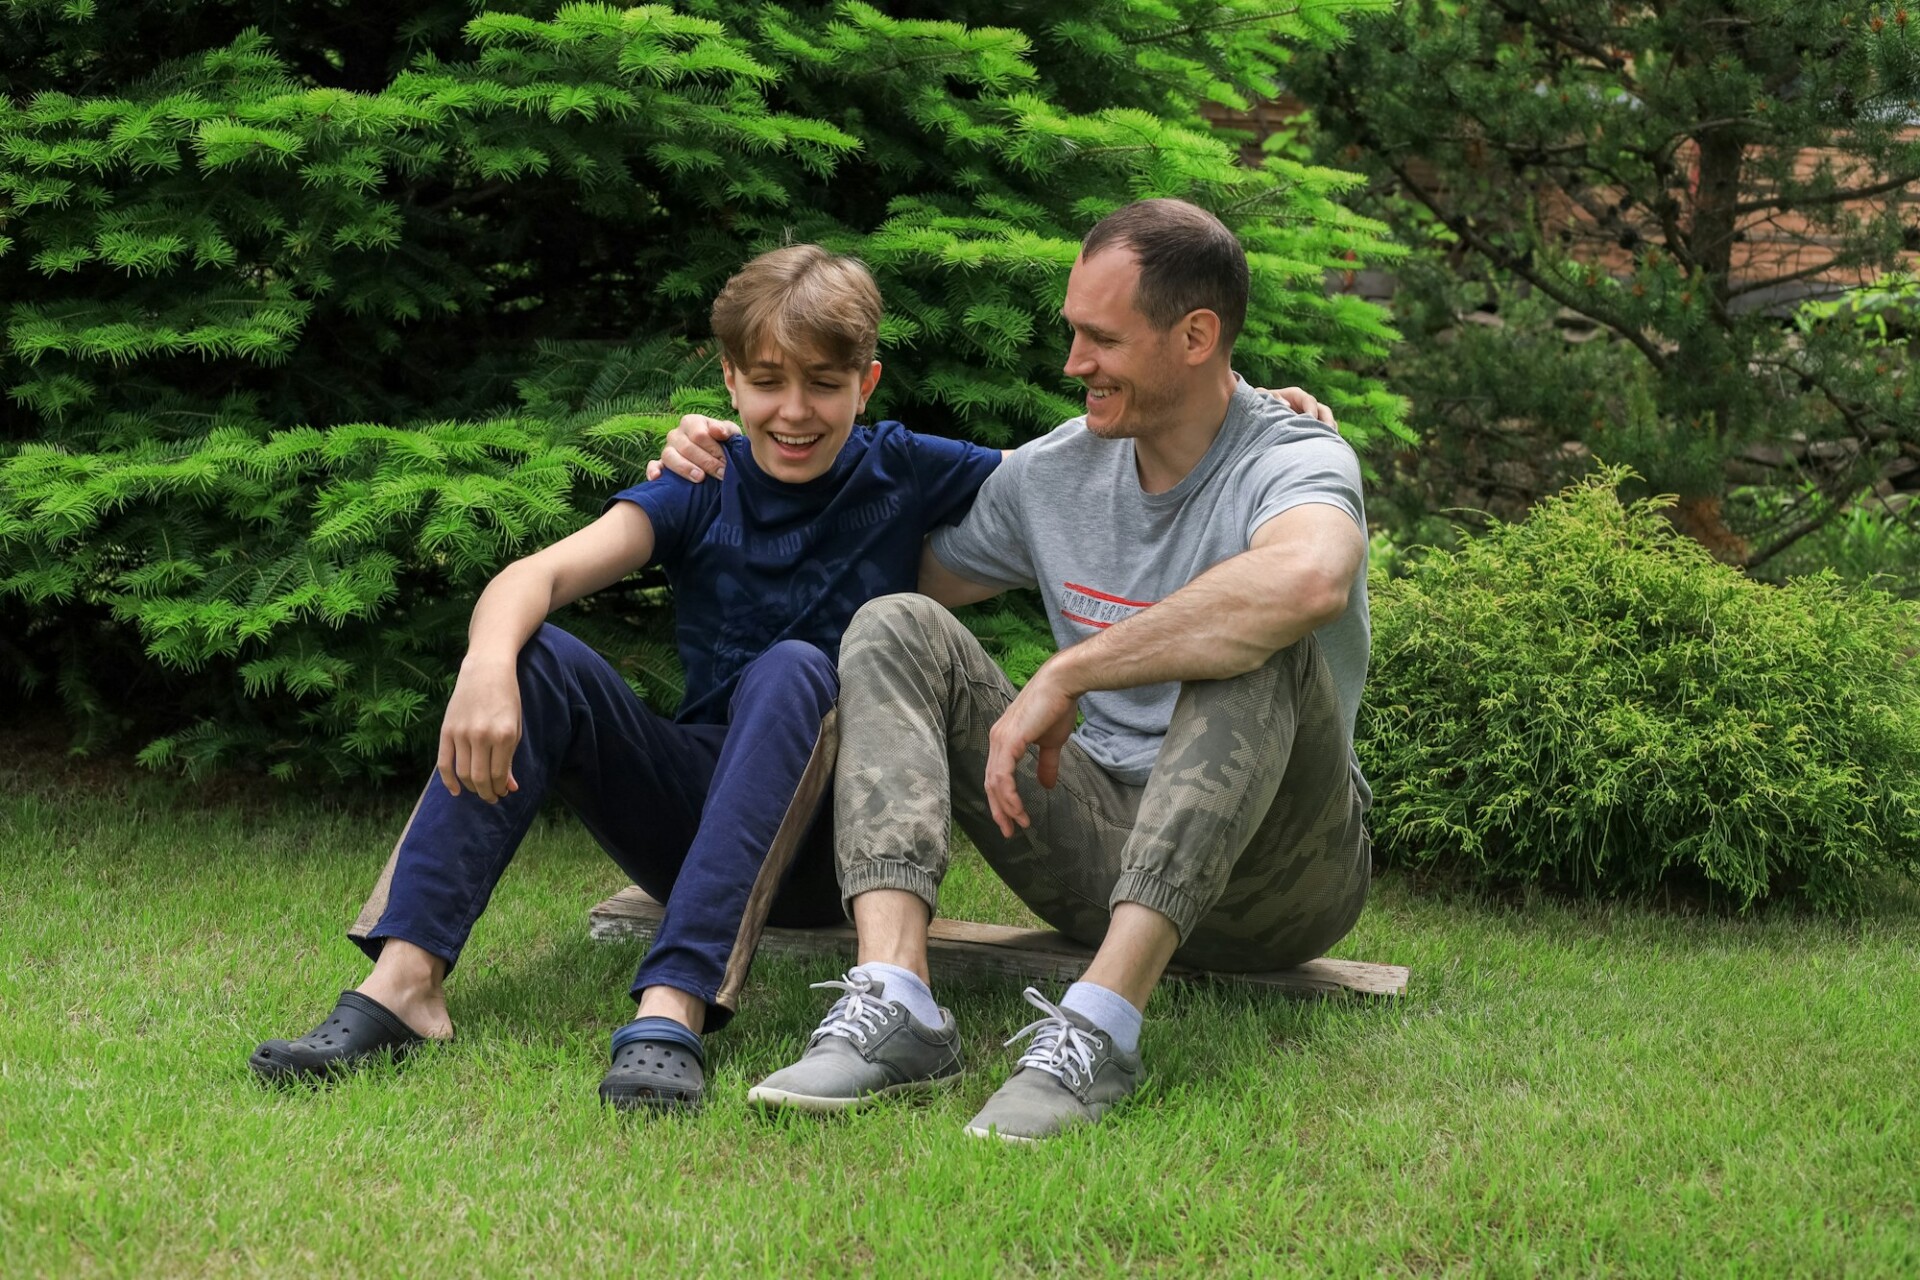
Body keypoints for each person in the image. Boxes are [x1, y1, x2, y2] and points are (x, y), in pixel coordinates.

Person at [662, 198, 1374, 1141]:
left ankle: (1098, 1030)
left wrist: (1070, 672)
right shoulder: (1055, 472)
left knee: (1248, 635)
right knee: (893, 623)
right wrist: (732, 469)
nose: (1073, 362)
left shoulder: (1291, 454)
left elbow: (1311, 576)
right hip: (1091, 856)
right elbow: (864, 566)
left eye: (1100, 338)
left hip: (1281, 879)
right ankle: (895, 1002)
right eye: (1073, 332)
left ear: (1196, 335)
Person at [247, 244, 1003, 1112]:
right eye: (767, 382)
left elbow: (1057, 477)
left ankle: (671, 1005)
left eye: (825, 385)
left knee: (796, 669)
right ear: (728, 380)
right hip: (695, 819)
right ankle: (404, 984)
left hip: (830, 847)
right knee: (536, 654)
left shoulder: (903, 466)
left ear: (867, 384)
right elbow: (536, 576)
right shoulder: (701, 481)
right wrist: (486, 666)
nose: (795, 411)